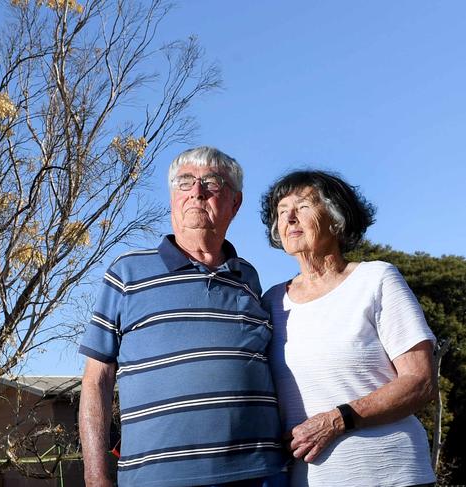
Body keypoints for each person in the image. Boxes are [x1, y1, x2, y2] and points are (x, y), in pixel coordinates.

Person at [79, 147, 285, 487]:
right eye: (184, 182)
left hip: (260, 473)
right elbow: (96, 379)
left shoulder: (248, 277)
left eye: (211, 182)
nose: (196, 191)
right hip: (158, 478)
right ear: (173, 197)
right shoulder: (127, 272)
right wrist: (96, 478)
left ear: (235, 203)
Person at [260, 170, 437, 487]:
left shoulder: (376, 279)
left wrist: (337, 420)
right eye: (281, 210)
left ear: (336, 217)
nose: (289, 218)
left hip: (393, 475)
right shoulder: (271, 301)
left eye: (302, 206)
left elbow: (420, 382)